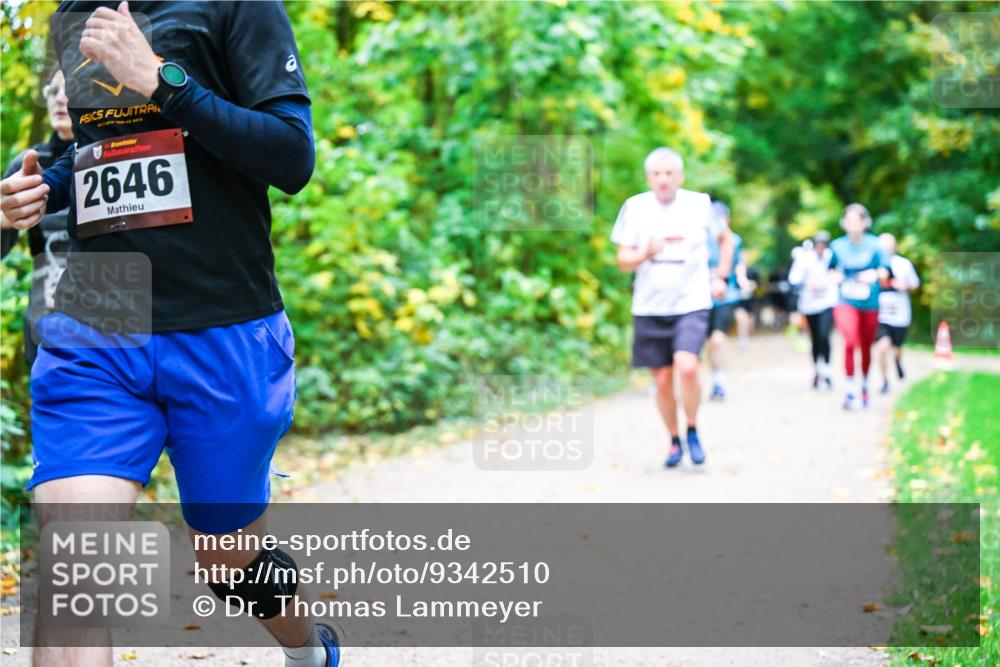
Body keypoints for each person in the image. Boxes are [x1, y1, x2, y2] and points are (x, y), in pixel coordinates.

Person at [0, 2, 341, 665]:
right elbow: (108, 158)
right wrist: (33, 197)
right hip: (97, 328)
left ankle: (308, 651)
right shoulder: (77, 13)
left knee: (226, 554)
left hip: (224, 330)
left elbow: (291, 155)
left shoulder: (238, 6)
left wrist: (161, 80)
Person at [611, 147, 734, 467]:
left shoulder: (700, 204)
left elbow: (726, 240)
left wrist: (720, 276)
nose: (663, 179)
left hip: (691, 302)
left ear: (680, 177)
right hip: (650, 306)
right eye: (657, 174)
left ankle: (692, 428)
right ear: (649, 178)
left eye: (669, 173)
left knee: (688, 365)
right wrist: (643, 255)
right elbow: (623, 259)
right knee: (663, 380)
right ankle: (674, 440)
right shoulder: (635, 208)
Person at [0, 69, 73, 367]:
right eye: (52, 92)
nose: (59, 100)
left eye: (68, 90)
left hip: (114, 316)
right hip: (46, 319)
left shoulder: (114, 154)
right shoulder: (29, 163)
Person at [827, 203, 890, 410]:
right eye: (849, 221)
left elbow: (886, 271)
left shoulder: (875, 245)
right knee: (850, 340)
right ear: (844, 223)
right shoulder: (837, 246)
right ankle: (849, 388)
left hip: (869, 302)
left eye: (857, 220)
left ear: (865, 222)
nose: (853, 225)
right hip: (846, 300)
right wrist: (836, 277)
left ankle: (863, 384)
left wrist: (874, 275)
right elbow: (830, 270)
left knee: (865, 345)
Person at [788, 230, 838, 389]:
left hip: (828, 302)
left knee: (825, 336)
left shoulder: (832, 257)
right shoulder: (805, 257)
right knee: (815, 338)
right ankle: (817, 369)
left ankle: (828, 370)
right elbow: (794, 278)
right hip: (809, 304)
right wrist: (805, 284)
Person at [706, 200, 743, 401]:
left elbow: (738, 264)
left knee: (718, 339)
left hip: (727, 296)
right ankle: (716, 378)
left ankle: (721, 380)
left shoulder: (734, 240)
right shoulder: (701, 239)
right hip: (703, 297)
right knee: (709, 343)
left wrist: (742, 279)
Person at [875, 233, 920, 394]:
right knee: (882, 347)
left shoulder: (904, 264)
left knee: (896, 349)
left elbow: (915, 284)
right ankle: (884, 381)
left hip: (900, 315)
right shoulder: (875, 264)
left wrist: (904, 285)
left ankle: (898, 363)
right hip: (881, 314)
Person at [734, 264, 759, 349]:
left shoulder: (752, 271)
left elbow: (758, 283)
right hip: (739, 302)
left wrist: (752, 286)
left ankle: (747, 337)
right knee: (741, 320)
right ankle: (742, 339)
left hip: (750, 302)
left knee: (750, 323)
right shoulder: (733, 272)